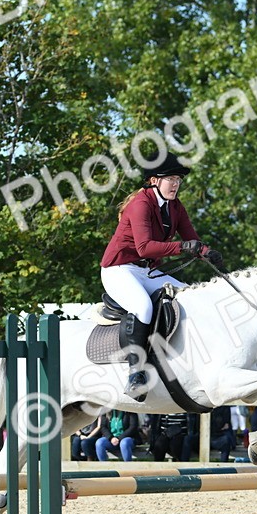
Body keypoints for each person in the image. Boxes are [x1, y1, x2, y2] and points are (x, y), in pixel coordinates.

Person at [100, 149, 224, 400]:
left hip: (147, 271)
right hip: (118, 269)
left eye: (178, 180)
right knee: (143, 306)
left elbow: (191, 239)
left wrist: (207, 252)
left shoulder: (175, 207)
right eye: (171, 179)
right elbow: (145, 247)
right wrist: (184, 247)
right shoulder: (140, 205)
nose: (176, 184)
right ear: (154, 180)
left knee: (190, 297)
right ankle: (135, 372)